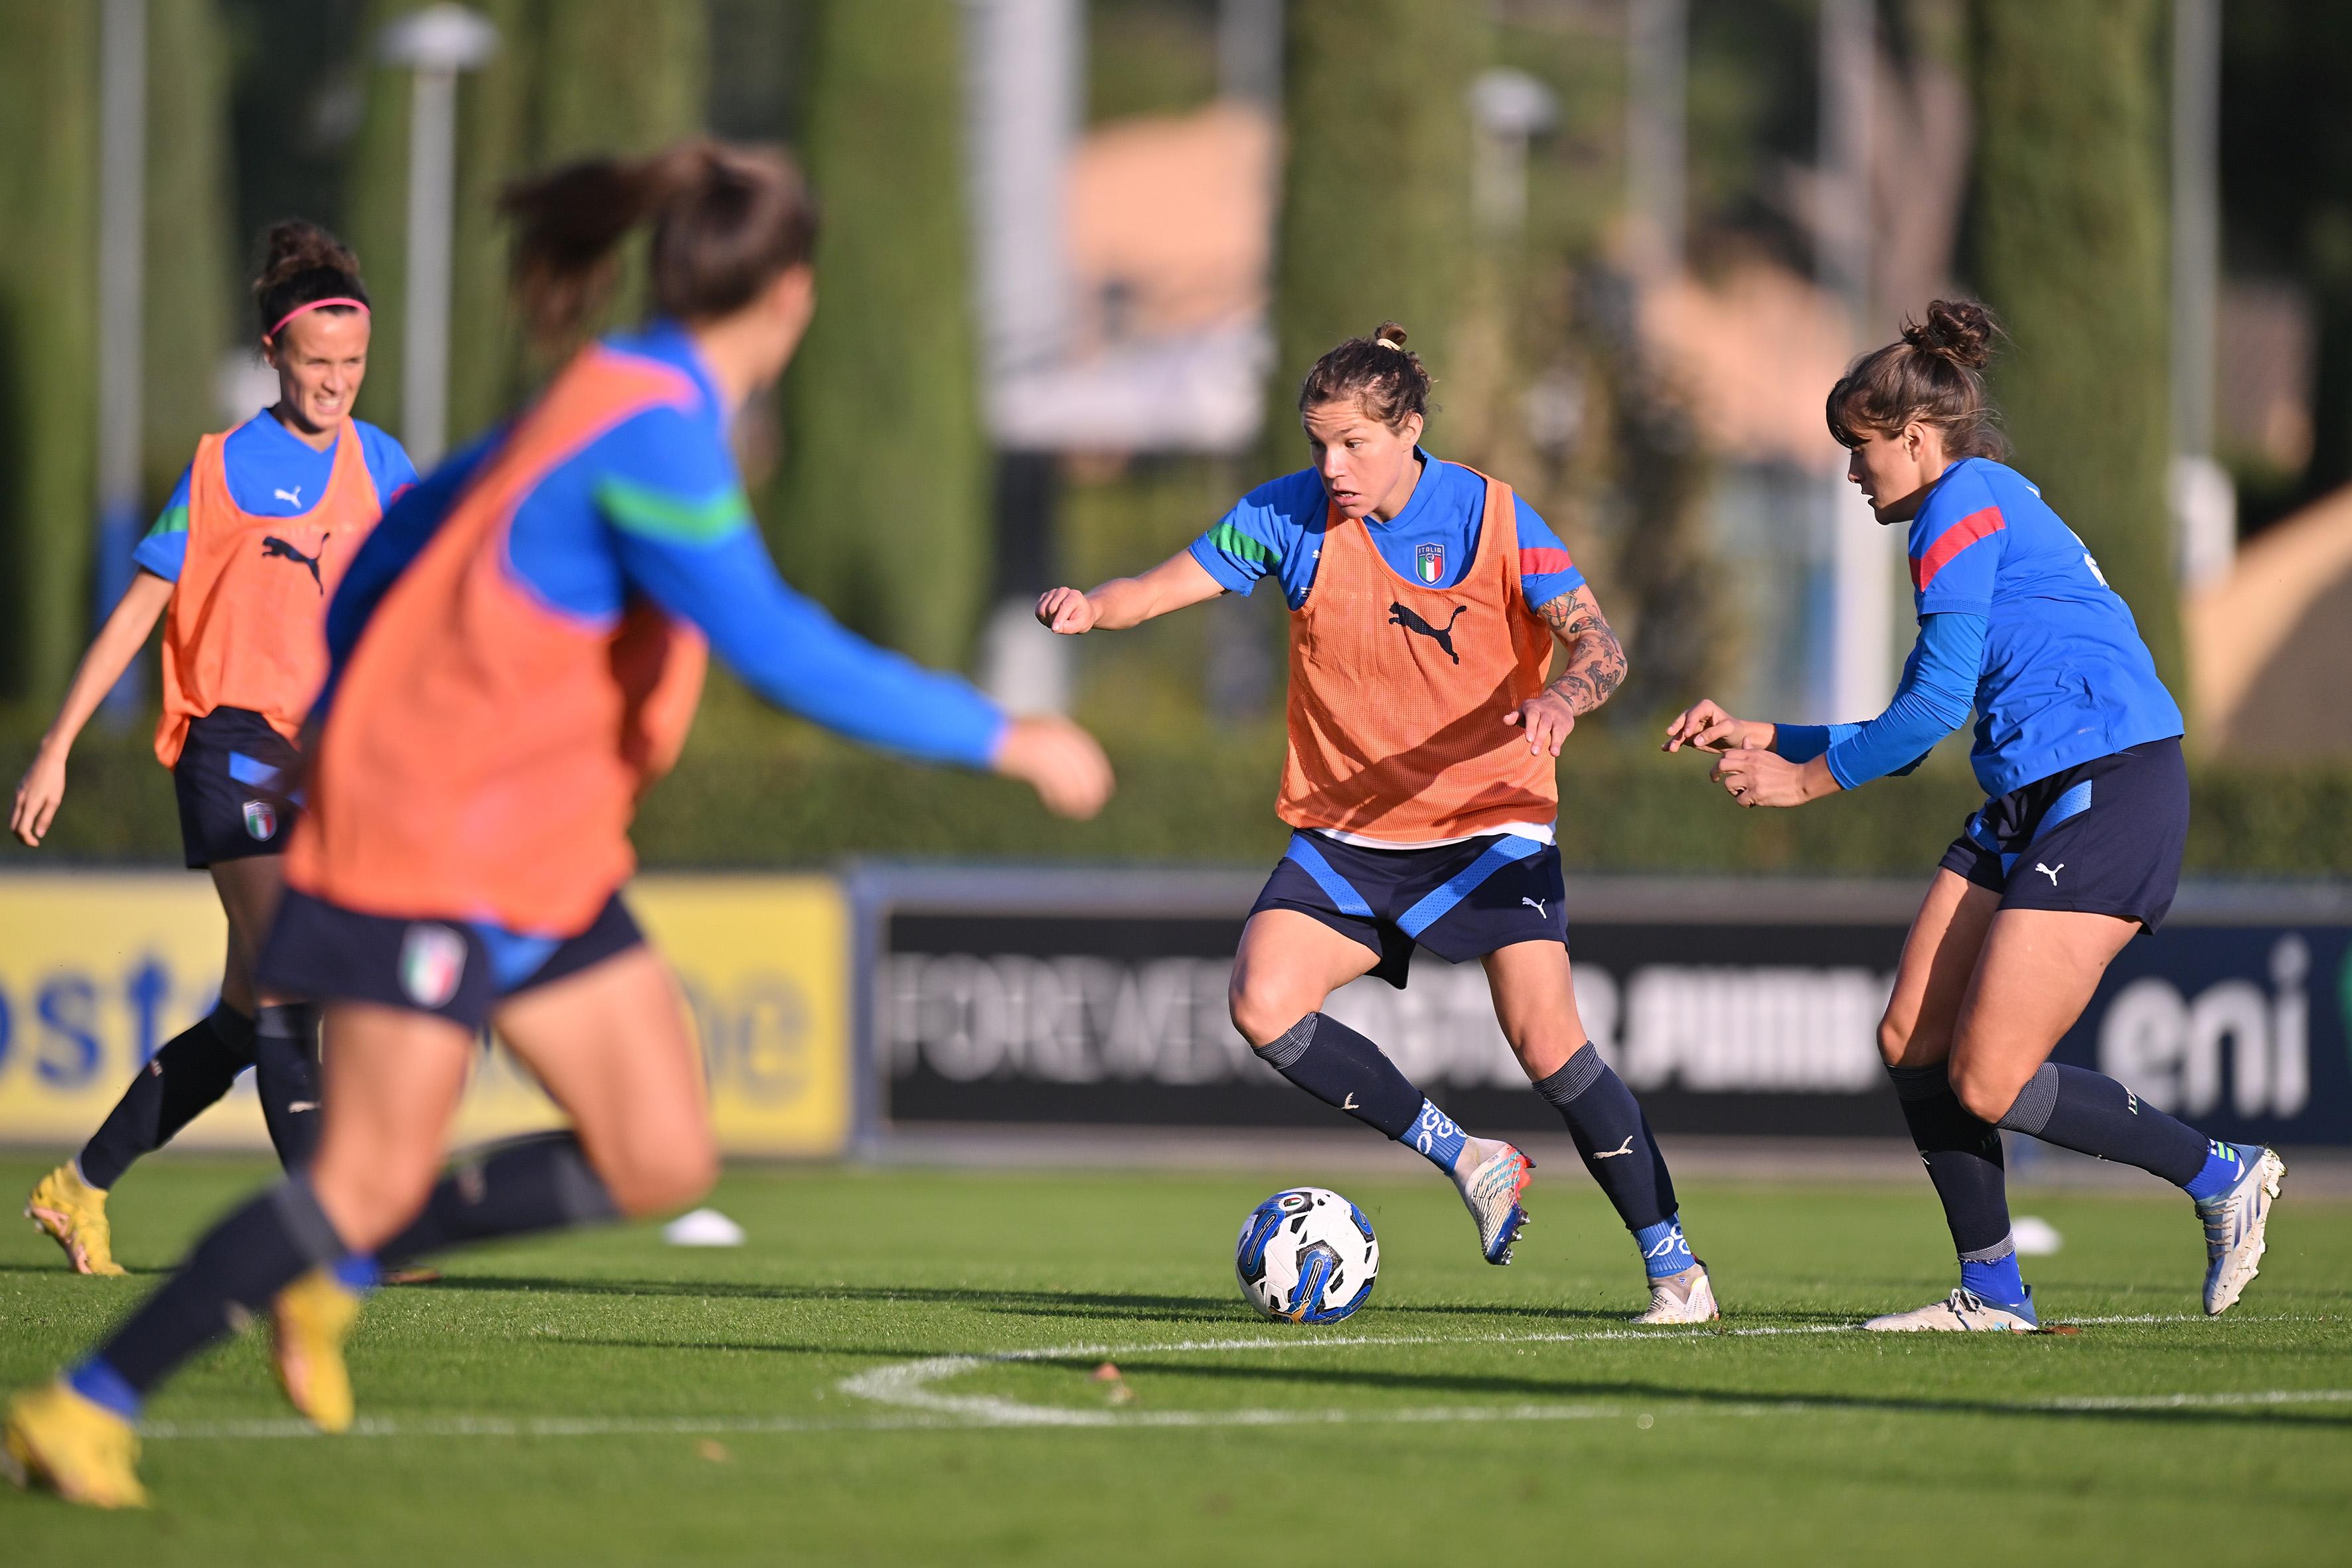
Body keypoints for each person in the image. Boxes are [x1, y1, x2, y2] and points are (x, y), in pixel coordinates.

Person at [1, 139, 1112, 1508]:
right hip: (434, 849)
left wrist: (350, 695)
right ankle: (83, 1403)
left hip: (541, 849)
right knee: (353, 1177)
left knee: (659, 1149)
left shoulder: (609, 386)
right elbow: (774, 642)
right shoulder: (653, 427)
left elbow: (391, 555)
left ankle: (334, 1267)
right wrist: (1006, 733)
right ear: (792, 298)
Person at [1035, 323, 1715, 1324]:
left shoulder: (1491, 514)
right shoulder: (1287, 515)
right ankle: (1471, 1157)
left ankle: (1676, 1269)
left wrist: (1565, 700)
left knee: (1549, 1043)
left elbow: (1598, 641)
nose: (1332, 467)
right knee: (1262, 999)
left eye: (1354, 444)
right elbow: (1167, 581)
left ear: (1412, 430)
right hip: (1351, 832)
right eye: (1319, 444)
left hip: (1489, 821)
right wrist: (1095, 606)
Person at [1663, 299, 2283, 1332]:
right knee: (1912, 1035)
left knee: (1987, 1076)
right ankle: (1994, 1292)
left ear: (1914, 437)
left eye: (1860, 451)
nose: (1853, 474)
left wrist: (1807, 783)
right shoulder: (1980, 504)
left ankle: (2220, 1173)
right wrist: (1777, 736)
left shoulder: (1961, 507)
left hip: (2109, 784)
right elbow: (1918, 712)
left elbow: (1933, 714)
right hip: (2037, 791)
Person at [13, 223, 414, 1275]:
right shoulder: (222, 468)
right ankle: (341, 1232)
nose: (336, 383)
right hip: (228, 742)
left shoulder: (384, 466)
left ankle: (78, 1185)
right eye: (316, 363)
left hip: (320, 759)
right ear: (275, 355)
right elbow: (135, 616)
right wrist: (55, 746)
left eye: (353, 364)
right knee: (293, 978)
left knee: (245, 1020)